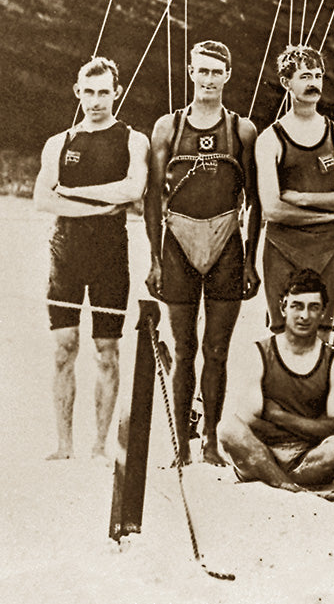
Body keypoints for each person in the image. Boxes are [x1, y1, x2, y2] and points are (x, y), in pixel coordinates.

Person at [145, 40, 261, 465]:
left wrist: (250, 260)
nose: (209, 79)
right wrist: (155, 259)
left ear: (227, 75)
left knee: (217, 350)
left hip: (226, 241)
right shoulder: (168, 127)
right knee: (183, 349)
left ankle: (211, 440)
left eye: (217, 71)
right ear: (191, 72)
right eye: (202, 71)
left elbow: (255, 201)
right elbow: (152, 198)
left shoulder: (242, 130)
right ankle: (182, 444)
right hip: (178, 241)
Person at [34, 56, 149, 460]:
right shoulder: (59, 142)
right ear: (77, 92)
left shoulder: (133, 139)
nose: (96, 100)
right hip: (65, 252)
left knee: (107, 350)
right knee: (63, 348)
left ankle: (99, 445)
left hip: (110, 256)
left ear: (117, 92)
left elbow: (132, 190)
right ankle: (64, 445)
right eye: (89, 92)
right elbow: (42, 199)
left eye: (104, 92)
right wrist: (95, 207)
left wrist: (72, 194)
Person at [217, 269, 334, 502]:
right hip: (260, 449)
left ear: (324, 311)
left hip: (307, 457)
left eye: (313, 307)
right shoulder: (259, 352)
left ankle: (274, 479)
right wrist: (310, 426)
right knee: (228, 428)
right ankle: (290, 486)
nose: (305, 315)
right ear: (283, 307)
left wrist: (277, 415)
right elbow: (249, 420)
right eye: (297, 306)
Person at [256, 45, 334, 334]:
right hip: (282, 249)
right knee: (285, 336)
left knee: (323, 335)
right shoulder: (270, 139)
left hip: (325, 250)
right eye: (305, 76)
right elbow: (273, 209)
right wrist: (330, 212)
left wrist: (302, 198)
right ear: (286, 82)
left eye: (317, 76)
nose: (313, 83)